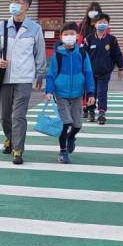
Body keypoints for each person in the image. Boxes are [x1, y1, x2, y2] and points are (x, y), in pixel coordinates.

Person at [0, 0, 47, 165]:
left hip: (24, 79)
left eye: (18, 1)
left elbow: (39, 55)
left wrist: (40, 76)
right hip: (4, 78)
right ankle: (9, 138)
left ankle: (18, 149)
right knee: (5, 116)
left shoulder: (35, 29)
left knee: (18, 115)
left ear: (26, 6)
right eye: (12, 0)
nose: (13, 4)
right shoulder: (1, 27)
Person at [44, 23, 96, 164]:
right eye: (66, 34)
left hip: (78, 94)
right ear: (61, 37)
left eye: (72, 33)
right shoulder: (58, 56)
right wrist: (49, 91)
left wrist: (91, 93)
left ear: (78, 36)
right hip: (61, 94)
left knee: (77, 125)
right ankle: (63, 151)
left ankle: (71, 137)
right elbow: (50, 75)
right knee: (65, 123)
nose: (69, 37)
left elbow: (88, 73)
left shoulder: (83, 54)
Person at [83, 13, 123, 124]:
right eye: (100, 22)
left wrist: (121, 68)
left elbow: (117, 55)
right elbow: (82, 55)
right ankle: (91, 112)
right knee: (91, 92)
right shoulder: (89, 39)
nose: (102, 24)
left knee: (102, 92)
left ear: (108, 25)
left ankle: (101, 113)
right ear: (94, 24)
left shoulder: (112, 40)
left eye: (105, 23)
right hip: (90, 73)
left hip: (105, 73)